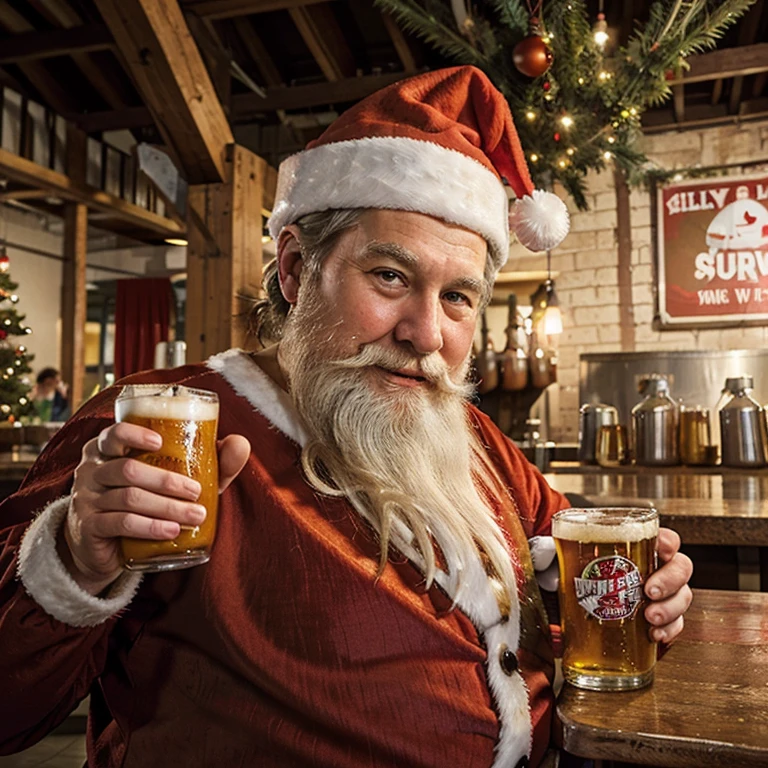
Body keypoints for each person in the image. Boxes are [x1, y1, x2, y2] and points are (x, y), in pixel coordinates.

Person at [0, 67, 692, 768]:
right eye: (390, 277)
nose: (425, 333)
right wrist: (74, 559)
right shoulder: (164, 429)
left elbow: (588, 592)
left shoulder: (473, 437)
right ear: (297, 269)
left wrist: (647, 600)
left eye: (457, 298)